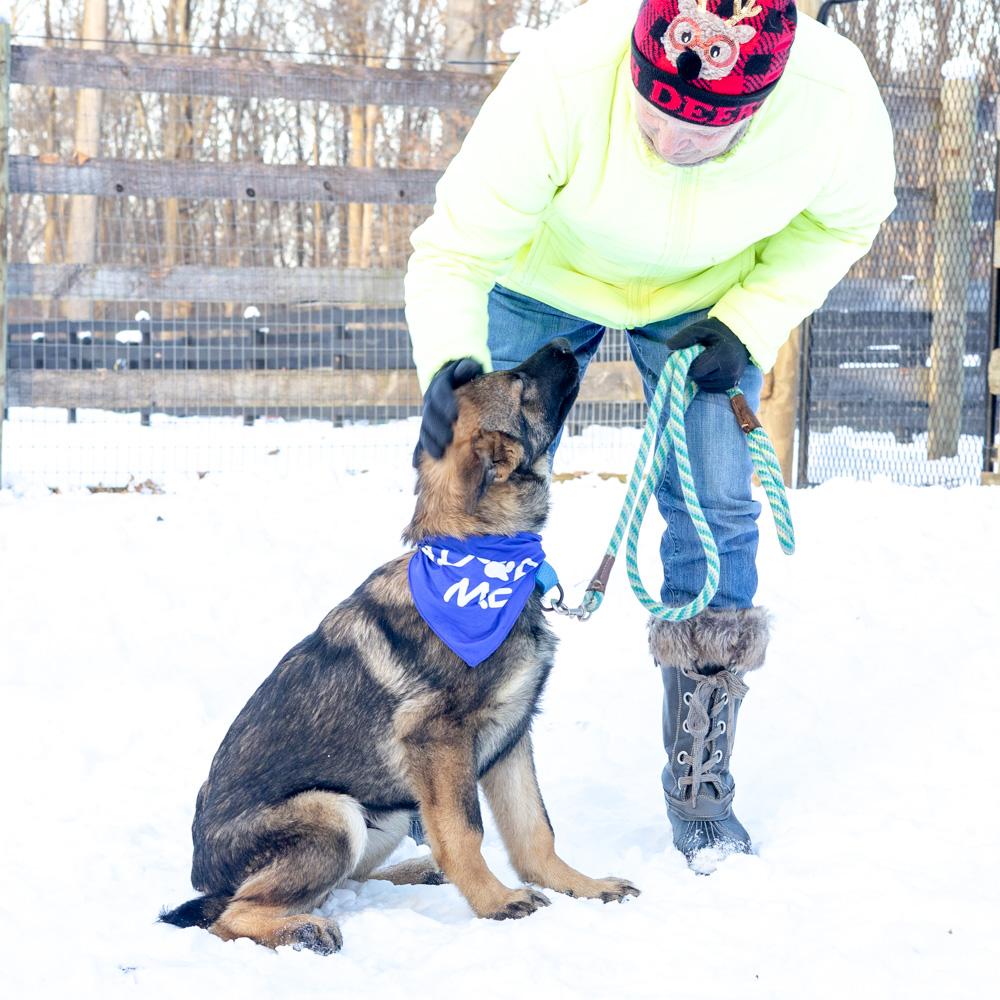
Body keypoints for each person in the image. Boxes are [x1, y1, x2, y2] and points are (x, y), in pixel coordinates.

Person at [404, 0, 895, 864]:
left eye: (703, 132)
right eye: (655, 115)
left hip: (709, 298)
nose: (670, 144)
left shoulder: (834, 98)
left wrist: (750, 319)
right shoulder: (564, 75)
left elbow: (846, 221)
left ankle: (700, 781)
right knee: (470, 498)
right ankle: (436, 757)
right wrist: (452, 369)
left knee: (717, 505)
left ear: (761, 104)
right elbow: (455, 250)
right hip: (544, 274)